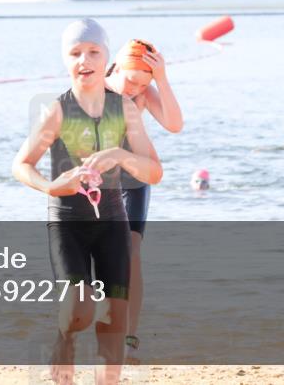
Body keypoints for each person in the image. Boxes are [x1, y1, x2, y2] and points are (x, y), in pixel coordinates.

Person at [13, 19, 162, 385]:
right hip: (68, 223)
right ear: (66, 60)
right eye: (76, 53)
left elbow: (154, 171)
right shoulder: (57, 111)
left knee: (114, 325)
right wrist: (52, 186)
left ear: (106, 59)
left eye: (93, 52)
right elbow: (21, 164)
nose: (85, 60)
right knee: (79, 312)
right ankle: (63, 340)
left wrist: (120, 155)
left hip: (113, 221)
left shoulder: (125, 109)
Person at [104, 38, 182, 363]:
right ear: (116, 68)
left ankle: (130, 339)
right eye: (131, 79)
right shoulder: (94, 88)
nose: (134, 88)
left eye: (143, 83)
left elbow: (175, 125)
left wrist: (161, 80)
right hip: (101, 182)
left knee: (132, 252)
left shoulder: (144, 93)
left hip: (135, 180)